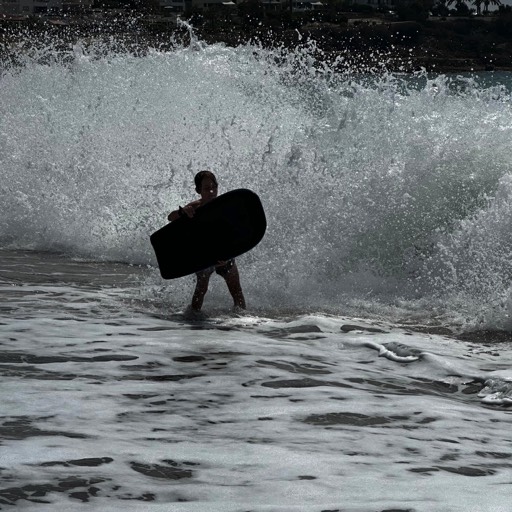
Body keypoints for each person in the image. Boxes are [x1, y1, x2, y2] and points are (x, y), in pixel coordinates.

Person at [168, 171, 246, 312]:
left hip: (225, 253)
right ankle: (193, 318)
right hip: (204, 255)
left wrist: (228, 255)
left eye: (214, 187)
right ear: (198, 191)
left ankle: (242, 320)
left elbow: (235, 233)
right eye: (206, 189)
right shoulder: (195, 207)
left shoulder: (225, 205)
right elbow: (170, 218)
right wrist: (182, 212)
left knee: (236, 290)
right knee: (201, 290)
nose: (211, 192)